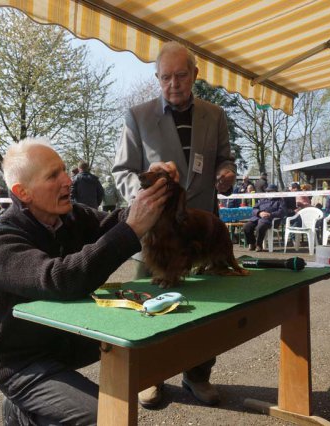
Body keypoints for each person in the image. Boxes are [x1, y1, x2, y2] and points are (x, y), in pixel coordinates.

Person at [0, 137, 169, 425]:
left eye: (65, 170)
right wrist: (131, 229)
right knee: (107, 419)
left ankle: (26, 410)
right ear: (23, 192)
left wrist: (153, 187)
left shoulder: (72, 217)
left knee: (150, 355)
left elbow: (117, 221)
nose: (68, 181)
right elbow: (59, 278)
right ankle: (23, 410)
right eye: (53, 175)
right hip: (22, 363)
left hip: (65, 348)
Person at [112, 40, 236, 408]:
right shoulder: (137, 115)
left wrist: (226, 172)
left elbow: (225, 159)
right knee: (145, 306)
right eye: (165, 77)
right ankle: (149, 377)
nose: (173, 83)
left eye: (181, 75)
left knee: (207, 312)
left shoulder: (215, 115)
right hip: (152, 235)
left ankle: (198, 376)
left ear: (195, 75)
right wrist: (146, 185)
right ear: (157, 78)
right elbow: (121, 173)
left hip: (200, 235)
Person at [243, 184, 285, 251]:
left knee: (260, 226)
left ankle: (259, 245)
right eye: (267, 191)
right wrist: (259, 213)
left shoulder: (280, 201)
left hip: (270, 219)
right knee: (246, 226)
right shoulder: (262, 199)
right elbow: (254, 209)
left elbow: (282, 212)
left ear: (275, 192)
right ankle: (252, 244)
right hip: (257, 218)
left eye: (270, 191)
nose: (268, 192)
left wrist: (270, 214)